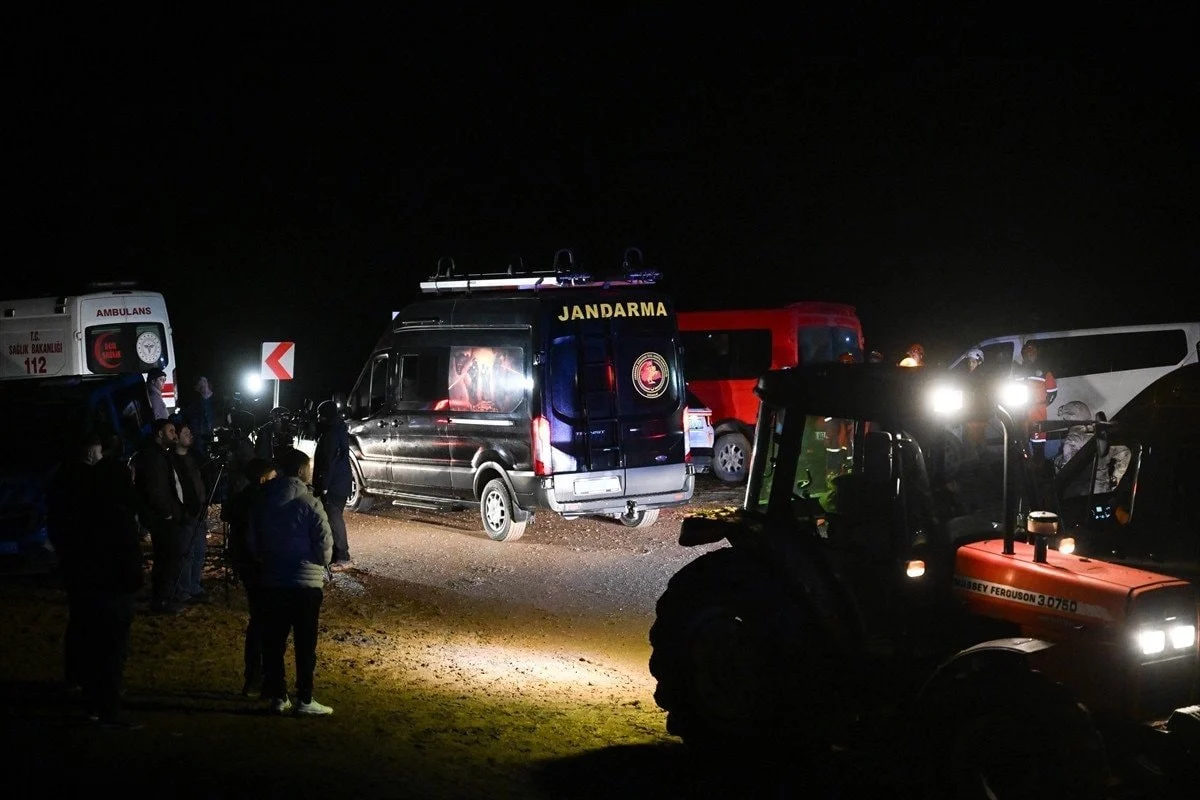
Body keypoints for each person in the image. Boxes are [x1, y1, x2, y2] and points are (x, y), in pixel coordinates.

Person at [46, 431, 145, 728]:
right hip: (111, 586)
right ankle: (106, 708)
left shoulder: (80, 499)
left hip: (88, 579)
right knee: (110, 647)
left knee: (91, 639)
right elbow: (125, 553)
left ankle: (91, 699)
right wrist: (132, 581)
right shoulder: (115, 512)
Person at [247, 446, 334, 716]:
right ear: (300, 471)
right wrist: (319, 561)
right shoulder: (310, 503)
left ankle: (278, 695)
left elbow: (253, 541)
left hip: (274, 580)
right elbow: (324, 545)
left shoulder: (264, 502)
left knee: (274, 642)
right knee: (305, 644)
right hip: (305, 583)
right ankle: (304, 698)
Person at [221, 457, 277, 698]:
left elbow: (226, 515)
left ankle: (254, 677)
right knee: (263, 621)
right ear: (263, 479)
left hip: (245, 563)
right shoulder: (260, 501)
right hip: (258, 564)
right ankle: (258, 677)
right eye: (273, 477)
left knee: (258, 618)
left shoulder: (241, 497)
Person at [133, 418, 189, 614]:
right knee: (168, 557)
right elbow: (155, 489)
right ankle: (162, 600)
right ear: (160, 434)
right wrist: (167, 513)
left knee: (166, 557)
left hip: (163, 514)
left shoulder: (159, 454)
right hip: (161, 517)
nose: (175, 435)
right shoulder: (153, 457)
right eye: (171, 431)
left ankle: (163, 597)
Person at [312, 399, 354, 571]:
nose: (318, 418)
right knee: (333, 519)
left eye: (320, 415)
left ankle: (343, 557)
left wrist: (324, 485)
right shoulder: (339, 429)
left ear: (326, 416)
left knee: (335, 520)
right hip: (341, 482)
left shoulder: (330, 433)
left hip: (333, 484)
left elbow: (328, 461)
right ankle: (337, 556)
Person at [171, 420, 210, 603]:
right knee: (187, 553)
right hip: (186, 513)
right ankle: (184, 590)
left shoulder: (195, 458)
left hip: (200, 510)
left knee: (199, 552)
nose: (190, 436)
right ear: (177, 437)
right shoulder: (172, 461)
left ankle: (195, 586)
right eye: (186, 433)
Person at [1014, 339, 1057, 461]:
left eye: (1032, 352)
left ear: (1036, 353)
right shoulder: (1017, 371)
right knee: (1021, 446)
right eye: (1026, 352)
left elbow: (1053, 392)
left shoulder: (1044, 370)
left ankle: (1039, 467)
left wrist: (1042, 405)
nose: (1029, 355)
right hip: (1020, 414)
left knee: (1038, 447)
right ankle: (1024, 468)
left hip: (1037, 416)